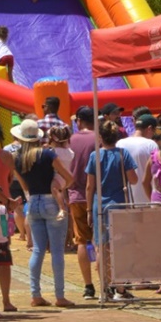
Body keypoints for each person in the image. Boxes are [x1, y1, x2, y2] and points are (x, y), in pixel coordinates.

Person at [9, 118, 74, 307]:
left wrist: (29, 194)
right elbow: (68, 177)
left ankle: (35, 294)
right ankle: (59, 295)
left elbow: (23, 184)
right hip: (51, 201)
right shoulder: (47, 154)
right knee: (57, 251)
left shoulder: (18, 158)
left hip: (34, 201)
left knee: (37, 250)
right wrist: (62, 189)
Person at [86, 120, 139, 300]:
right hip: (119, 205)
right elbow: (133, 180)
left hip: (99, 205)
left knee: (102, 247)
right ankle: (120, 289)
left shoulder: (95, 156)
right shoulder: (123, 155)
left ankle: (103, 288)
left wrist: (87, 210)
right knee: (120, 248)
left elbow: (89, 186)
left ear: (100, 137)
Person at [68, 107, 98, 299]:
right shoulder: (99, 139)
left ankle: (88, 285)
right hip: (97, 196)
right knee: (102, 242)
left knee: (81, 241)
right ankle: (108, 283)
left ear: (79, 120)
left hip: (75, 195)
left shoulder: (70, 140)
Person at [117, 113, 158, 204]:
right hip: (148, 197)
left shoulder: (120, 143)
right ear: (150, 128)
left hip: (125, 199)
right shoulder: (151, 144)